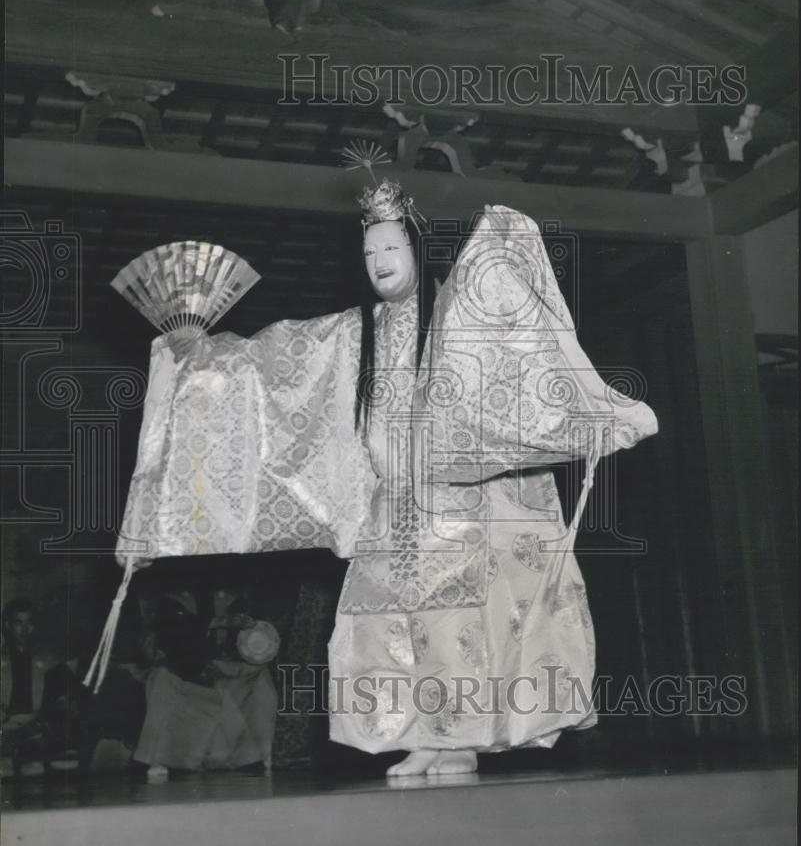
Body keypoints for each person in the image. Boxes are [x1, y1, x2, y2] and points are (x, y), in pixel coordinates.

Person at [111, 184, 657, 777]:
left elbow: (511, 353)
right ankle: (422, 736)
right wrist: (200, 358)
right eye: (370, 252)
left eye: (392, 246)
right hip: (388, 508)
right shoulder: (356, 332)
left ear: (418, 251)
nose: (381, 261)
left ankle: (457, 739)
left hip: (454, 503)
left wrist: (498, 254)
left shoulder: (455, 314)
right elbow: (275, 361)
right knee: (385, 630)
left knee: (452, 625)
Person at [133, 591, 279, 777]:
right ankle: (158, 758)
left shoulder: (233, 598)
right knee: (164, 680)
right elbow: (168, 642)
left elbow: (243, 642)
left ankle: (261, 753)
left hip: (219, 669)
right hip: (181, 670)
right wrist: (217, 623)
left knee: (258, 680)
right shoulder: (174, 600)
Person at [0, 598, 59, 776]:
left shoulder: (47, 659)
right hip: (5, 724)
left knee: (36, 771)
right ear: (7, 625)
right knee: (5, 772)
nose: (24, 629)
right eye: (18, 623)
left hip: (35, 724)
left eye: (29, 622)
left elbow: (56, 696)